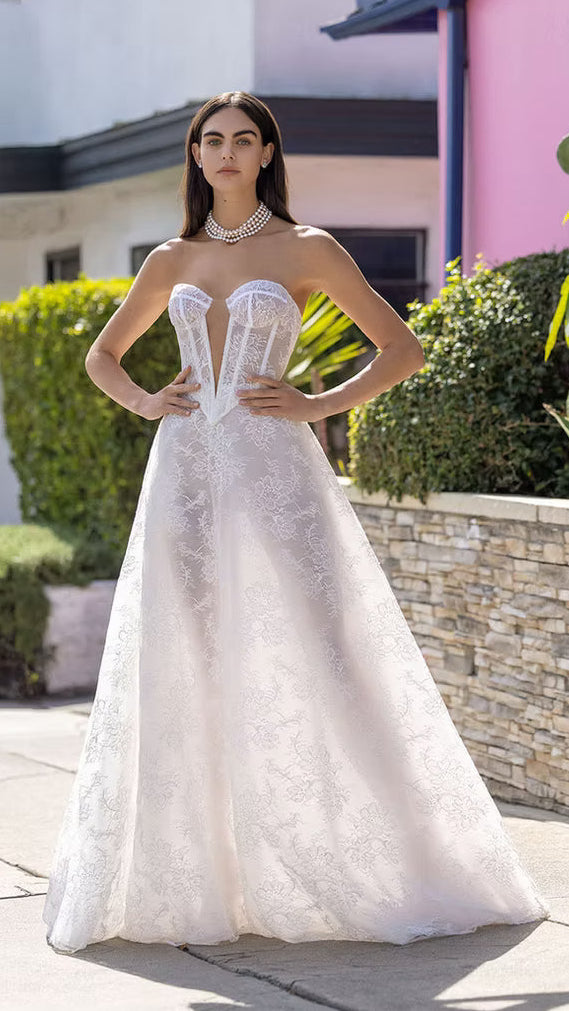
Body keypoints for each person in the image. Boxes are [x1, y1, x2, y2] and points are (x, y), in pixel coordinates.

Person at [42, 90, 550, 955]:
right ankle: (207, 875)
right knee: (187, 656)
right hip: (184, 476)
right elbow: (102, 354)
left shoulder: (307, 246)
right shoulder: (170, 258)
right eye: (212, 140)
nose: (227, 152)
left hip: (275, 471)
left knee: (326, 648)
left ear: (267, 154)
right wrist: (146, 400)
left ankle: (397, 856)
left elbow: (401, 348)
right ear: (195, 156)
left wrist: (318, 403)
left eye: (244, 139)